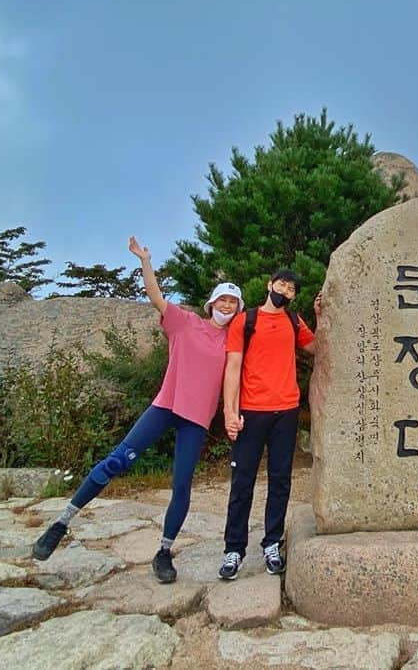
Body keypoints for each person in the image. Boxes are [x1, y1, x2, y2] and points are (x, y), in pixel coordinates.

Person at [32, 236, 243, 585]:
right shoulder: (185, 322)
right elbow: (156, 298)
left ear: (238, 309)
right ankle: (62, 522)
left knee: (181, 485)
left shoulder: (233, 342)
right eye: (222, 298)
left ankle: (163, 552)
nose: (227, 304)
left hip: (196, 420)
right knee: (117, 461)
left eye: (233, 302)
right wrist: (145, 261)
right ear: (210, 303)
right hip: (165, 406)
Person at [217, 269, 320, 580]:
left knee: (280, 482)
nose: (286, 290)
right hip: (251, 412)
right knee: (242, 483)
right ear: (269, 285)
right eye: (282, 284)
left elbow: (316, 348)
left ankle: (272, 543)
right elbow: (232, 368)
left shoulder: (293, 320)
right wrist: (229, 412)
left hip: (285, 412)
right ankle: (233, 549)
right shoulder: (245, 320)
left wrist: (319, 315)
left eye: (291, 288)